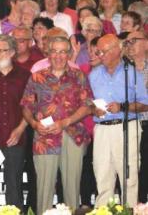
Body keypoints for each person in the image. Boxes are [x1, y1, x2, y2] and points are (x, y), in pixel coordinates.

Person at [20, 36, 93, 215]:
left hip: (73, 135)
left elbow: (88, 106)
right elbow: (26, 106)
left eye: (63, 51)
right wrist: (34, 124)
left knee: (72, 188)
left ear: (69, 54)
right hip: (44, 138)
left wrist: (65, 122)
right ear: (48, 53)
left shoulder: (78, 76)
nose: (58, 56)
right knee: (44, 189)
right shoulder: (37, 77)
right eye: (54, 51)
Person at [89, 34, 148, 206]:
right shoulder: (94, 75)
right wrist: (94, 109)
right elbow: (86, 103)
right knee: (102, 174)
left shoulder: (132, 73)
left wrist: (123, 107)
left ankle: (128, 210)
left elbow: (145, 104)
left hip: (126, 127)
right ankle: (103, 211)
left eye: (104, 51)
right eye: (98, 52)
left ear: (117, 50)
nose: (100, 55)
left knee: (128, 176)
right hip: (101, 128)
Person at [0, 34, 31, 209]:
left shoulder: (25, 75)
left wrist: (20, 129)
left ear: (12, 52)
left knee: (15, 185)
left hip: (16, 137)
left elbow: (31, 105)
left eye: (3, 50)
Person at [124, 31, 148, 202]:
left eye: (134, 40)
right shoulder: (123, 69)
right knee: (132, 169)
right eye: (127, 42)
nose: (130, 44)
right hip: (130, 124)